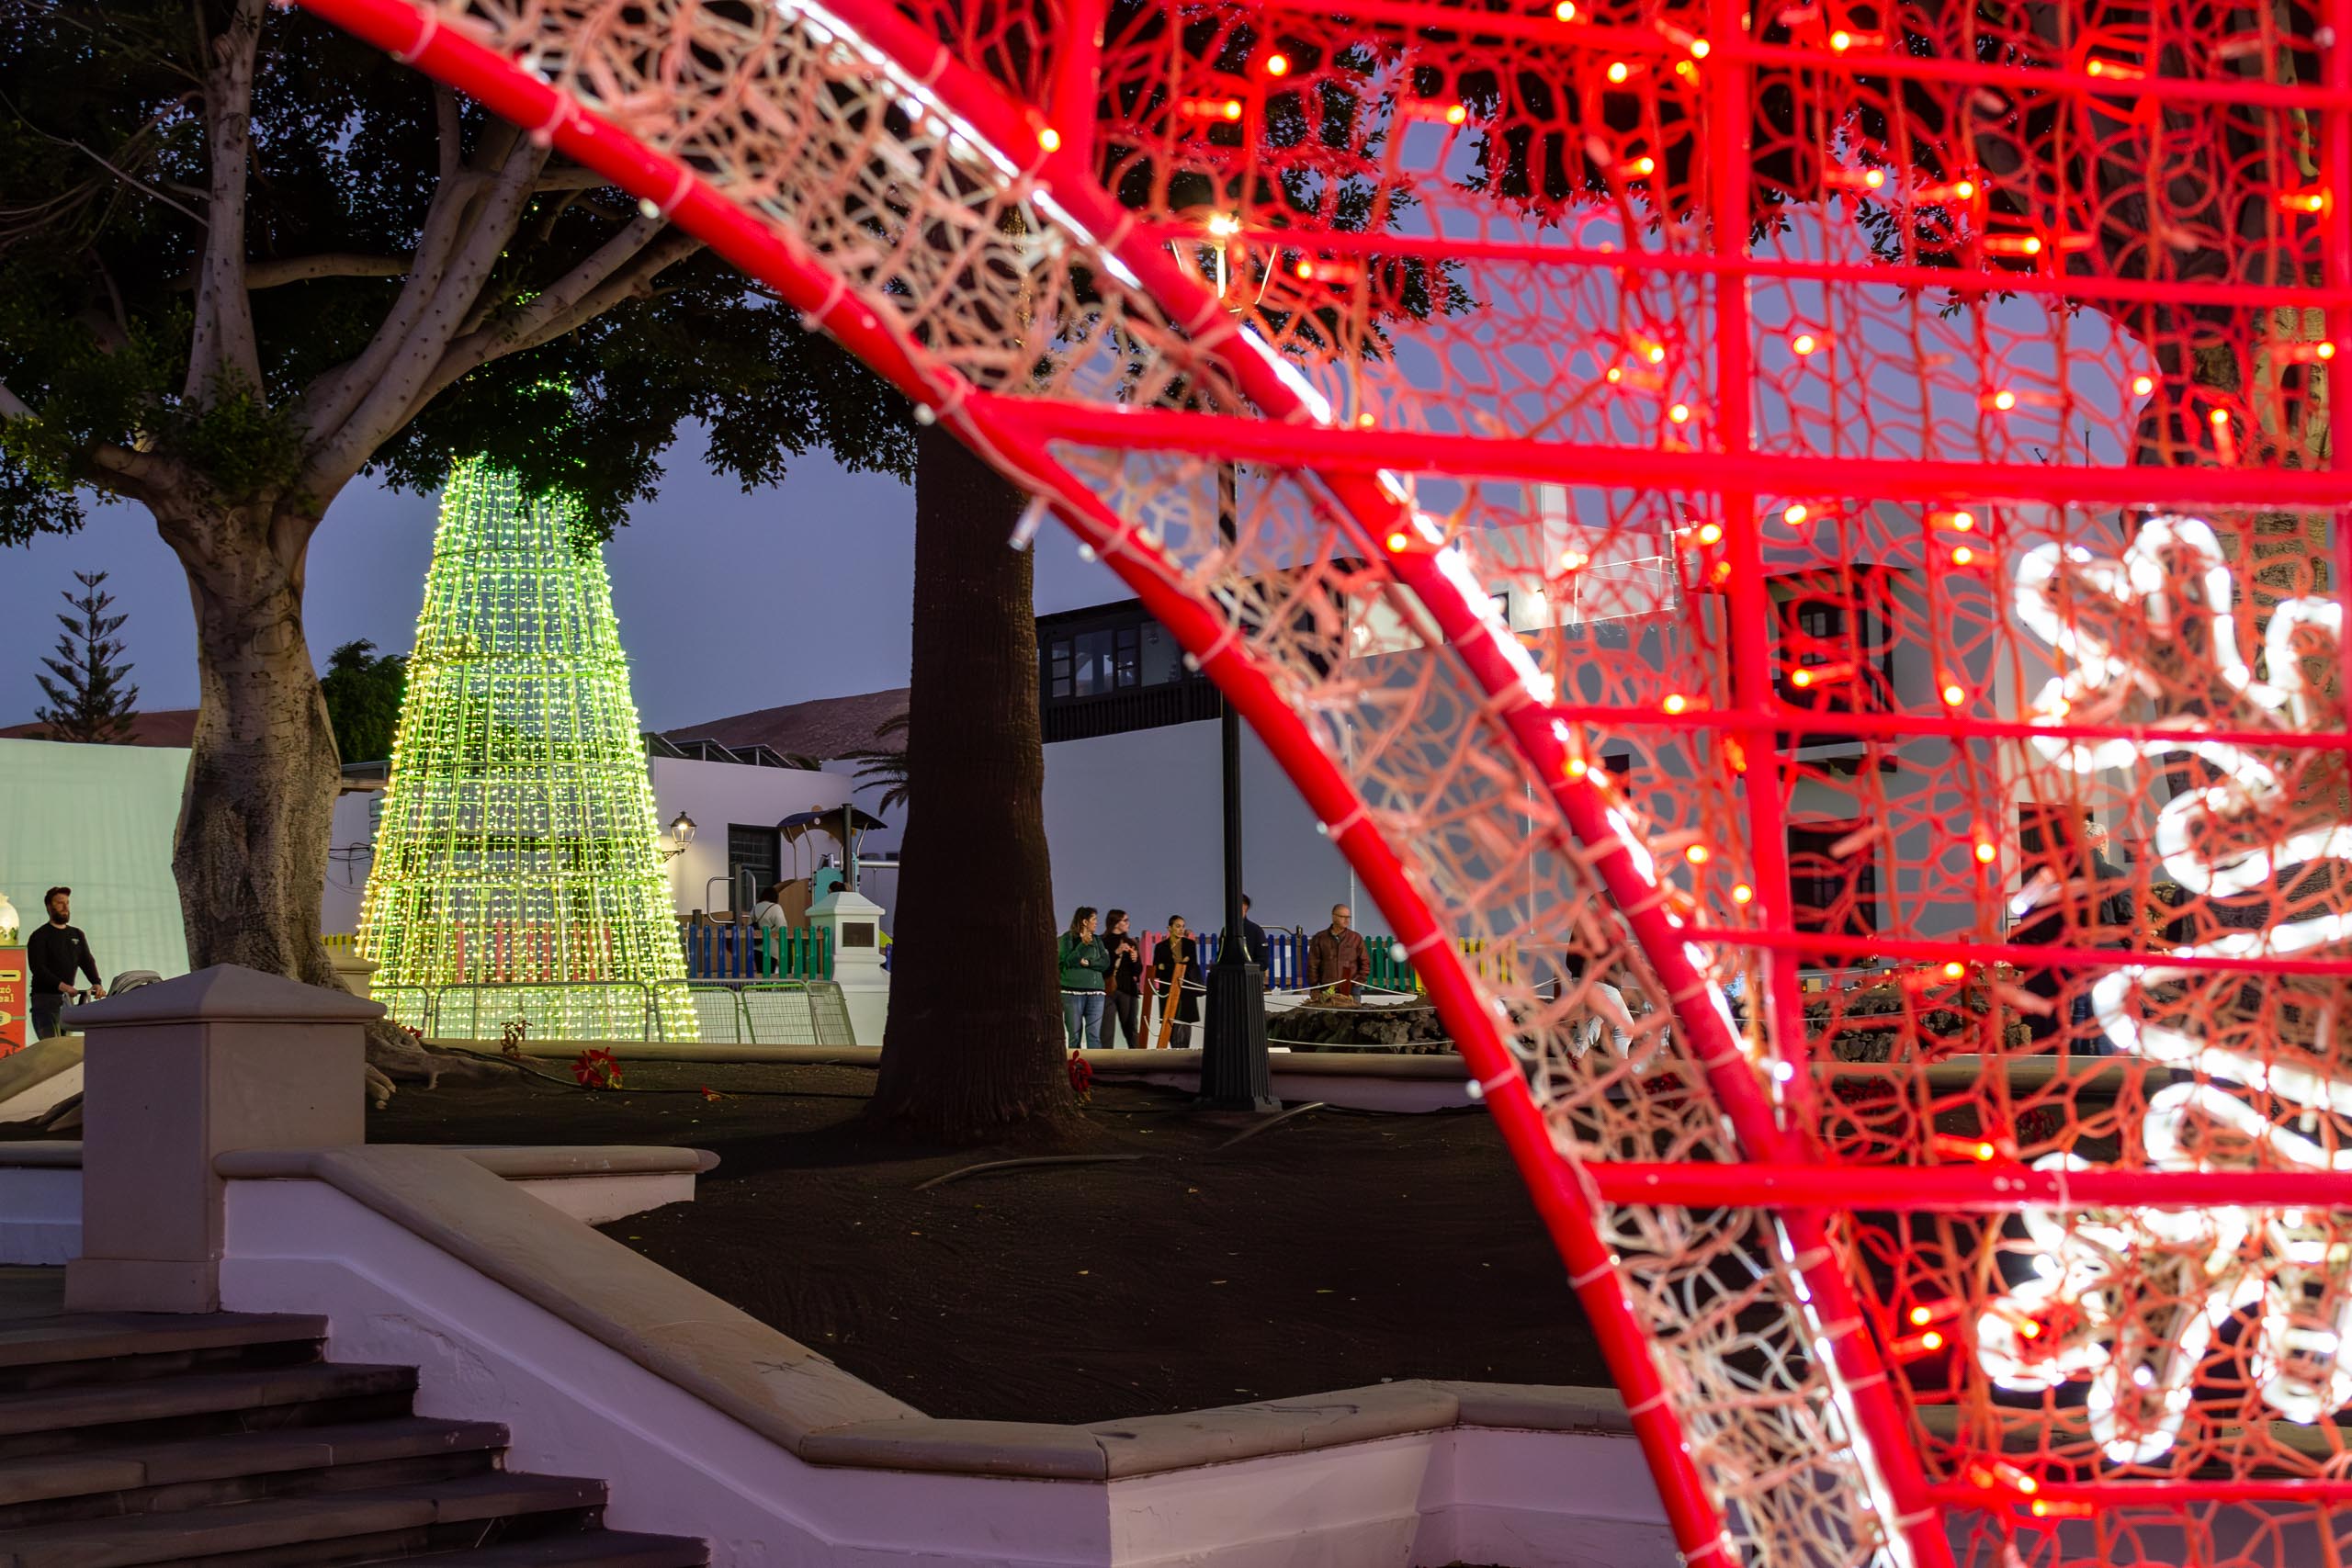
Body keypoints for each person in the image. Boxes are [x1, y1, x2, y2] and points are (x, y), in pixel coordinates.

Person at [28, 886, 103, 1041]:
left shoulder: (76, 934)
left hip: (66, 1000)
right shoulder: (40, 935)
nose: (65, 907)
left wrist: (96, 982)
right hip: (45, 1000)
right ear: (49, 906)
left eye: (67, 903)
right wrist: (62, 986)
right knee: (51, 1046)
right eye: (60, 903)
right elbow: (38, 968)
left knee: (65, 1046)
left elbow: (86, 960)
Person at [1057, 906, 1109, 1051]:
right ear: (1085, 922)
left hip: (1096, 993)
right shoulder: (1067, 938)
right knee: (1074, 1035)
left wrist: (1089, 963)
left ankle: (1095, 1065)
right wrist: (1083, 945)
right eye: (1094, 919)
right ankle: (1075, 1064)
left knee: (1094, 1036)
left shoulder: (1097, 940)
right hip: (1072, 993)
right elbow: (1067, 961)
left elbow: (1105, 963)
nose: (1096, 922)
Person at [1150, 915, 1202, 1046]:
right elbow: (1157, 970)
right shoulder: (1161, 947)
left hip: (1185, 990)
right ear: (1170, 928)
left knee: (1184, 1024)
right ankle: (1174, 1052)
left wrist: (1166, 966)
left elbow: (1190, 966)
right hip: (1168, 990)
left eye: (1183, 927)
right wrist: (1179, 964)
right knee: (1170, 1025)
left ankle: (1183, 1053)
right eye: (1178, 926)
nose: (1181, 929)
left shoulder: (1189, 945)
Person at [1306, 903, 1370, 999]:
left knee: (1353, 1010)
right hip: (1326, 987)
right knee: (1327, 1010)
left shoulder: (1356, 938)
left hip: (1351, 988)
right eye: (1343, 917)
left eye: (1348, 917)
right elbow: (1313, 964)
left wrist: (1358, 981)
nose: (1347, 920)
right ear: (1334, 917)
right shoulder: (1320, 938)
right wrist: (1314, 986)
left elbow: (1365, 962)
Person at [1102, 908, 1144, 1048]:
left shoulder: (1130, 943)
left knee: (1130, 1029)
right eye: (1125, 920)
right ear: (1115, 923)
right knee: (1106, 1031)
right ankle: (1105, 1059)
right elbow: (1102, 968)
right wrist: (1116, 952)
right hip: (1107, 990)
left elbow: (1137, 971)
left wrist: (1135, 960)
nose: (1128, 923)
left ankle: (1137, 1058)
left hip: (1127, 990)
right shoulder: (1102, 942)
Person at [1238, 894, 1272, 989]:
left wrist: (1247, 969)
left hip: (1250, 984)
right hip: (1229, 983)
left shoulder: (1255, 930)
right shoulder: (1226, 931)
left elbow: (1263, 962)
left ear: (1245, 907)